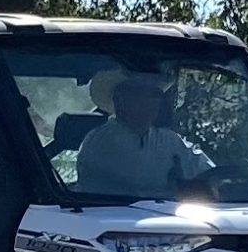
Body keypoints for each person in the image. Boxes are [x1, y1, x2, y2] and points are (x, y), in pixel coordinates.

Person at [75, 67, 213, 198]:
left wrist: (222, 180)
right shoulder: (99, 142)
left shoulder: (169, 141)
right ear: (119, 99)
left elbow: (204, 170)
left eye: (155, 94)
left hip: (165, 216)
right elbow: (95, 192)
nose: (148, 101)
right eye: (138, 93)